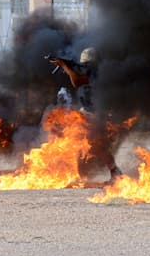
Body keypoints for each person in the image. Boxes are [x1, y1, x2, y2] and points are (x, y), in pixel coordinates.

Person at [47, 47, 122, 182]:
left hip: (95, 113)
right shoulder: (92, 71)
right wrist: (65, 66)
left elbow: (77, 81)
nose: (85, 66)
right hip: (88, 111)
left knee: (96, 144)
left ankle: (115, 172)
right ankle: (81, 173)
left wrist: (64, 65)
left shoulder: (93, 72)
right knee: (79, 140)